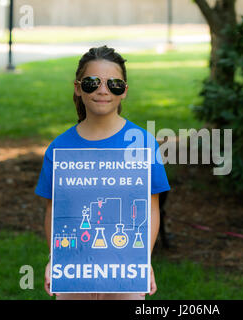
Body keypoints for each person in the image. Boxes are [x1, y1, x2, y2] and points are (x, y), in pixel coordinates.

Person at [34, 45, 171, 300]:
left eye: (114, 84)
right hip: (74, 272)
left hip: (126, 272)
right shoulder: (59, 148)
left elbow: (150, 209)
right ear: (77, 87)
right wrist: (55, 258)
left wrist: (144, 260)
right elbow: (54, 211)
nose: (103, 90)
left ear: (124, 91)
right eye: (92, 82)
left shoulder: (142, 144)